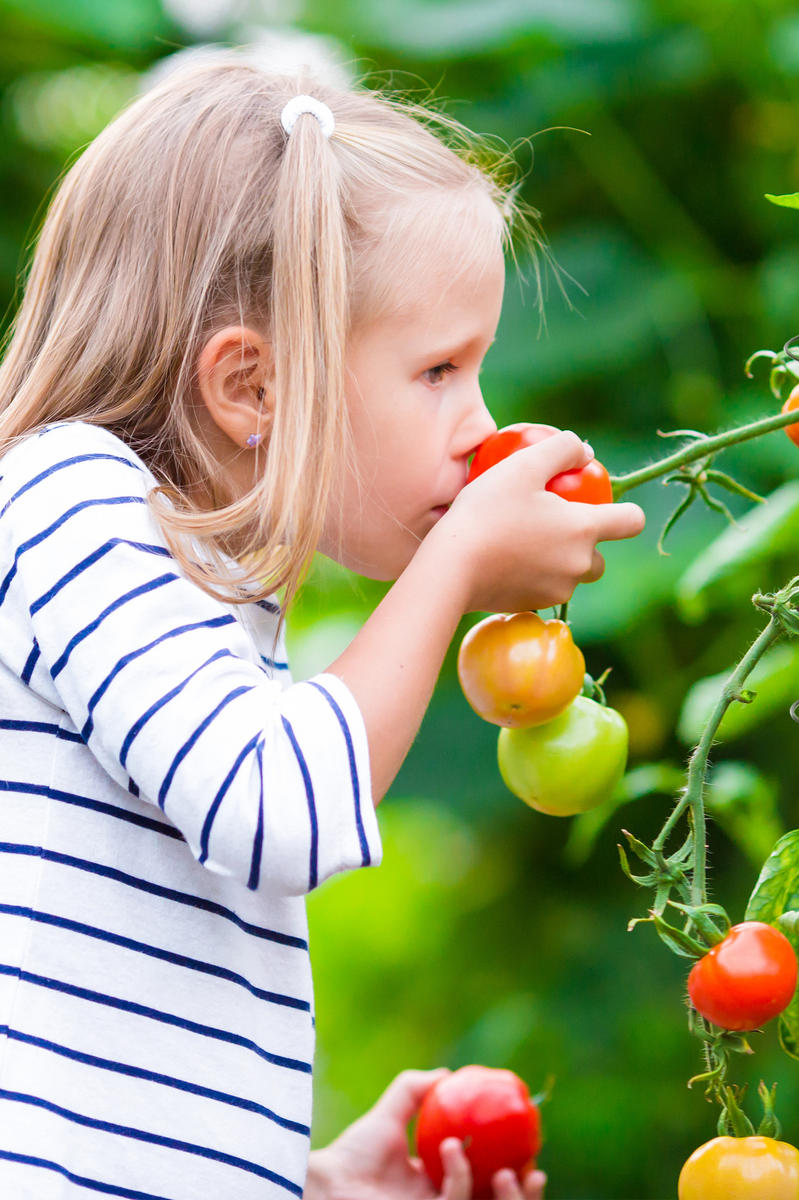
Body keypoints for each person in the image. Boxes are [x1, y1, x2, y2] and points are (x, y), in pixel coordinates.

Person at [0, 55, 645, 1200]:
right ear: (252, 387)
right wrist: (453, 565)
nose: (479, 423)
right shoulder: (72, 503)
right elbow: (274, 810)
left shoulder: (202, 598)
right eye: (439, 369)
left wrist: (314, 1185)